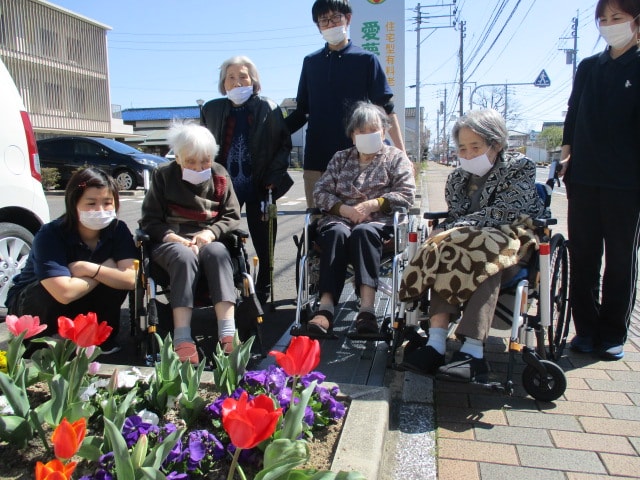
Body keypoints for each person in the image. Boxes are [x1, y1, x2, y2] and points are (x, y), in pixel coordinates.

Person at [399, 109, 546, 382]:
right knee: (448, 250)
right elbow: (455, 217)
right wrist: (453, 229)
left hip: (512, 238)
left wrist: (457, 227)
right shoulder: (457, 177)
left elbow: (505, 212)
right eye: (462, 148)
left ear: (497, 144)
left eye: (475, 147)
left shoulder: (520, 167)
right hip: (465, 243)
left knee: (481, 253)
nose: (467, 155)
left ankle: (473, 350)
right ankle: (437, 342)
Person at [560, 0, 640, 361]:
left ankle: (612, 332)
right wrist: (564, 159)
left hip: (627, 185)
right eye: (603, 19)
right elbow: (572, 117)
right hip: (584, 180)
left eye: (617, 18)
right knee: (584, 257)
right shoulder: (589, 67)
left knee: (621, 261)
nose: (609, 24)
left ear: (636, 22)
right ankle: (585, 330)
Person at [303, 101, 414, 338]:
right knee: (335, 233)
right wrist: (344, 210)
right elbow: (320, 192)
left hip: (379, 224)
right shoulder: (340, 158)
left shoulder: (395, 158)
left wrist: (373, 204)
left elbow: (406, 193)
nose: (367, 135)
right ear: (352, 135)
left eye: (373, 130)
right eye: (361, 131)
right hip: (340, 221)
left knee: (364, 233)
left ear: (384, 132)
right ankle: (325, 308)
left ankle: (366, 310)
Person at [285, 0, 406, 208]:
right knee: (317, 222)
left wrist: (402, 154)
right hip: (317, 157)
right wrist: (271, 133)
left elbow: (386, 108)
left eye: (335, 18)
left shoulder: (366, 59)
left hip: (359, 157)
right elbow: (302, 110)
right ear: (318, 25)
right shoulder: (311, 62)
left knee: (359, 219)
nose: (330, 24)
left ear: (347, 19)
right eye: (324, 20)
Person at [5, 167, 138, 354]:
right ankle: (45, 341)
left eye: (107, 203)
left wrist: (88, 268)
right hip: (35, 306)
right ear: (73, 203)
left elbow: (131, 278)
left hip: (80, 298)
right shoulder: (50, 234)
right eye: (91, 203)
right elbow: (63, 292)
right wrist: (104, 270)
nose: (100, 210)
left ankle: (96, 338)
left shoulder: (117, 229)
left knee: (114, 283)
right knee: (48, 289)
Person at [139, 122, 241, 363]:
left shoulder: (219, 174)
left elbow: (232, 216)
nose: (198, 167)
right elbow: (149, 220)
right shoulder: (163, 175)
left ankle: (227, 333)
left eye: (204, 161)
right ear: (178, 158)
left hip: (208, 236)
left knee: (218, 253)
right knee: (183, 257)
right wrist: (172, 237)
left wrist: (211, 233)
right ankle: (182, 338)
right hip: (171, 239)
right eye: (190, 161)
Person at [201, 55, 293, 304]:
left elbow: (283, 145)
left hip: (260, 183)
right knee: (221, 237)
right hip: (223, 185)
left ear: (253, 80)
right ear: (223, 83)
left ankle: (263, 287)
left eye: (243, 76)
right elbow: (202, 147)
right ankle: (226, 285)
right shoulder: (211, 109)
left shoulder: (267, 107)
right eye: (231, 77)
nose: (237, 81)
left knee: (264, 241)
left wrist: (274, 177)